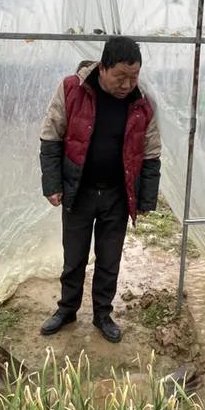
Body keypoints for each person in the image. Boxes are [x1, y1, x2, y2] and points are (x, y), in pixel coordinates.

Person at [39, 36, 162, 343]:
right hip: (79, 191)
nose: (127, 84)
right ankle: (67, 310)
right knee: (74, 258)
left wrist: (146, 198)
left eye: (133, 77)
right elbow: (51, 137)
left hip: (117, 196)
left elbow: (151, 152)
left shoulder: (143, 102)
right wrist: (53, 185)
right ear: (103, 67)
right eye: (121, 77)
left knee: (109, 259)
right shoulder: (72, 89)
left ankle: (102, 314)